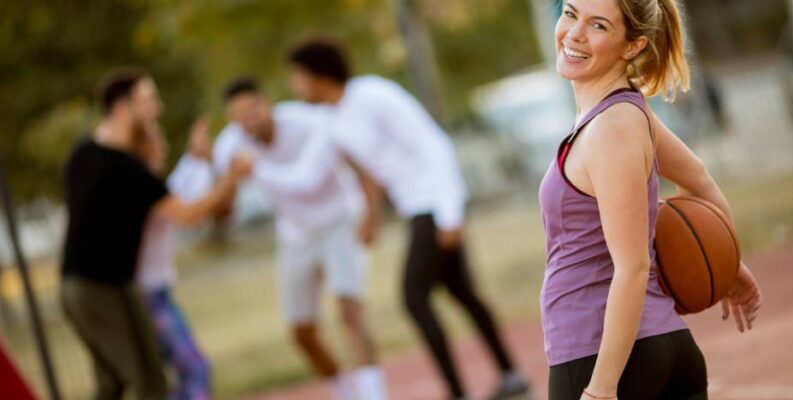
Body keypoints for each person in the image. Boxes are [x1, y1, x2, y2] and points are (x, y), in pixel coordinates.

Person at [267, 38, 531, 400]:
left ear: (317, 76)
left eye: (297, 77)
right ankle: (511, 374)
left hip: (434, 204)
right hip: (414, 208)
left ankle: (458, 391)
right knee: (461, 291)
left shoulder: (373, 94)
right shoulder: (329, 121)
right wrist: (368, 215)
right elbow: (314, 175)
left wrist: (450, 213)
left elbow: (432, 144)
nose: (294, 85)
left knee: (414, 296)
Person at [537, 1, 764, 399]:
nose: (574, 33)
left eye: (598, 26)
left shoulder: (611, 129)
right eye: (571, 13)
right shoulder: (624, 111)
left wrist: (601, 388)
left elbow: (633, 268)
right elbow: (700, 179)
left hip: (604, 356)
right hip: (665, 350)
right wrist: (726, 261)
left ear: (632, 46)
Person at [60, 68, 250, 400]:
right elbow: (189, 214)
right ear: (122, 107)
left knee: (112, 384)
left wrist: (202, 164)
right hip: (97, 286)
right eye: (148, 100)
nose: (156, 109)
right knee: (150, 381)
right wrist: (231, 176)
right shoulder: (115, 166)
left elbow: (179, 195)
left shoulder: (98, 159)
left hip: (105, 284)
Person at [213, 78, 389, 400]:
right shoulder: (229, 145)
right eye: (239, 114)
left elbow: (307, 179)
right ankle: (344, 392)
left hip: (339, 219)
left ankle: (374, 395)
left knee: (350, 310)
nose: (248, 118)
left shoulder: (308, 122)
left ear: (267, 104)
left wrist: (372, 213)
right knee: (302, 332)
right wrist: (221, 176)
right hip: (295, 234)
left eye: (252, 109)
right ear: (231, 118)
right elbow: (222, 207)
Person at [134, 119, 217, 400]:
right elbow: (190, 211)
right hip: (147, 296)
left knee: (184, 373)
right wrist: (227, 176)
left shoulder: (148, 185)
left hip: (157, 293)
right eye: (156, 143)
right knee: (194, 369)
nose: (163, 148)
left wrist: (196, 158)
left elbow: (176, 188)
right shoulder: (138, 186)